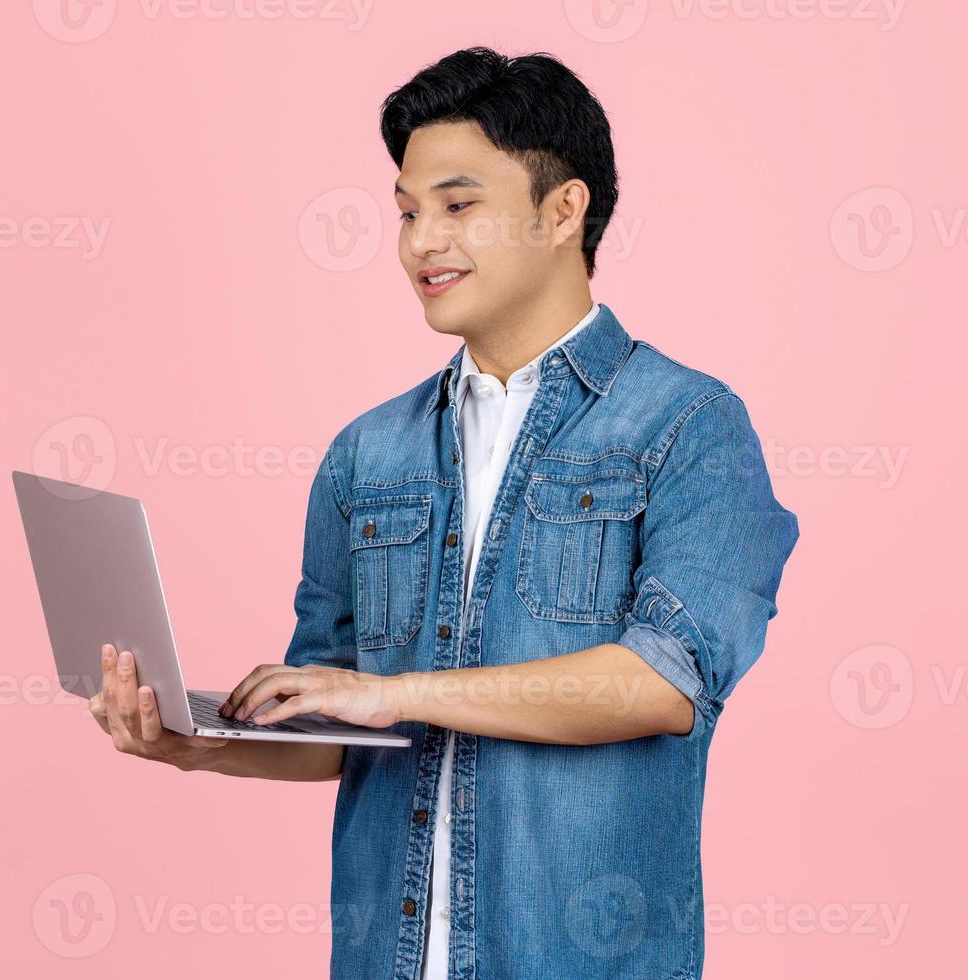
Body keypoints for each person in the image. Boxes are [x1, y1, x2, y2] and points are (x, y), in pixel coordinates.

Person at [90, 46, 799, 980]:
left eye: (458, 207)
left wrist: (390, 693)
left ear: (562, 211)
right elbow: (335, 729)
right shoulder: (368, 451)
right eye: (408, 212)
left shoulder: (689, 426)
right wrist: (194, 743)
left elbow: (660, 686)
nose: (423, 241)